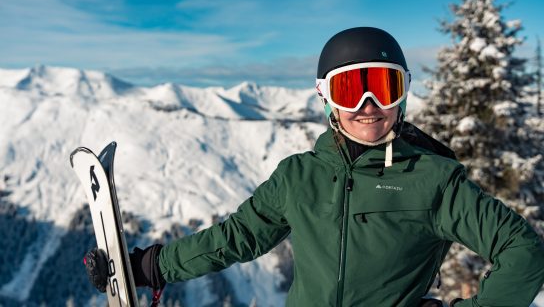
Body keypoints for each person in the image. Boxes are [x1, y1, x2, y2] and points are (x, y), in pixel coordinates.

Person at [86, 27, 544, 306]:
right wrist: (153, 266)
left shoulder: (435, 180)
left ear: (402, 95)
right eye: (351, 90)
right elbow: (235, 239)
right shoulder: (297, 177)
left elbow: (524, 251)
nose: (369, 105)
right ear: (325, 97)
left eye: (383, 87)